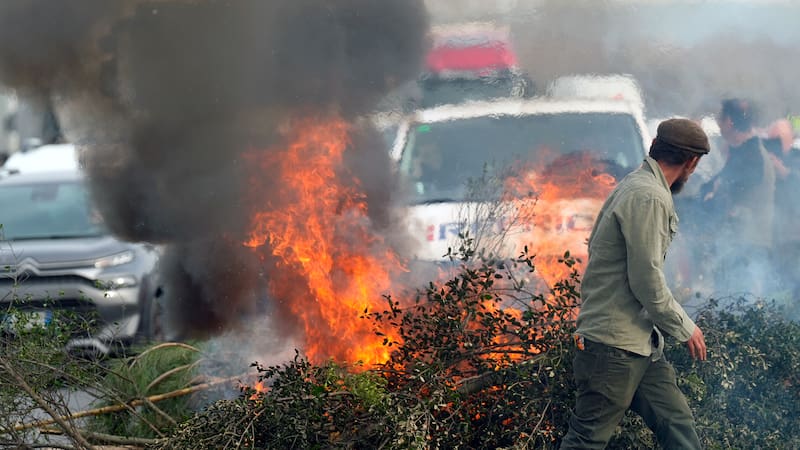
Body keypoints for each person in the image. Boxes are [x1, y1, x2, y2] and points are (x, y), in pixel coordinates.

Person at [560, 118, 709, 450]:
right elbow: (646, 280)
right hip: (614, 348)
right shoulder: (649, 196)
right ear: (692, 163)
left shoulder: (638, 186)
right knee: (586, 440)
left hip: (641, 345)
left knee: (678, 426)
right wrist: (685, 327)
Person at [701, 98, 776, 296]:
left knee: (742, 299)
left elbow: (731, 194)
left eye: (720, 119)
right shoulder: (743, 154)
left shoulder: (752, 157)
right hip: (738, 242)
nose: (718, 124)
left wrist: (714, 196)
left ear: (729, 122)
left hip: (747, 242)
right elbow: (710, 187)